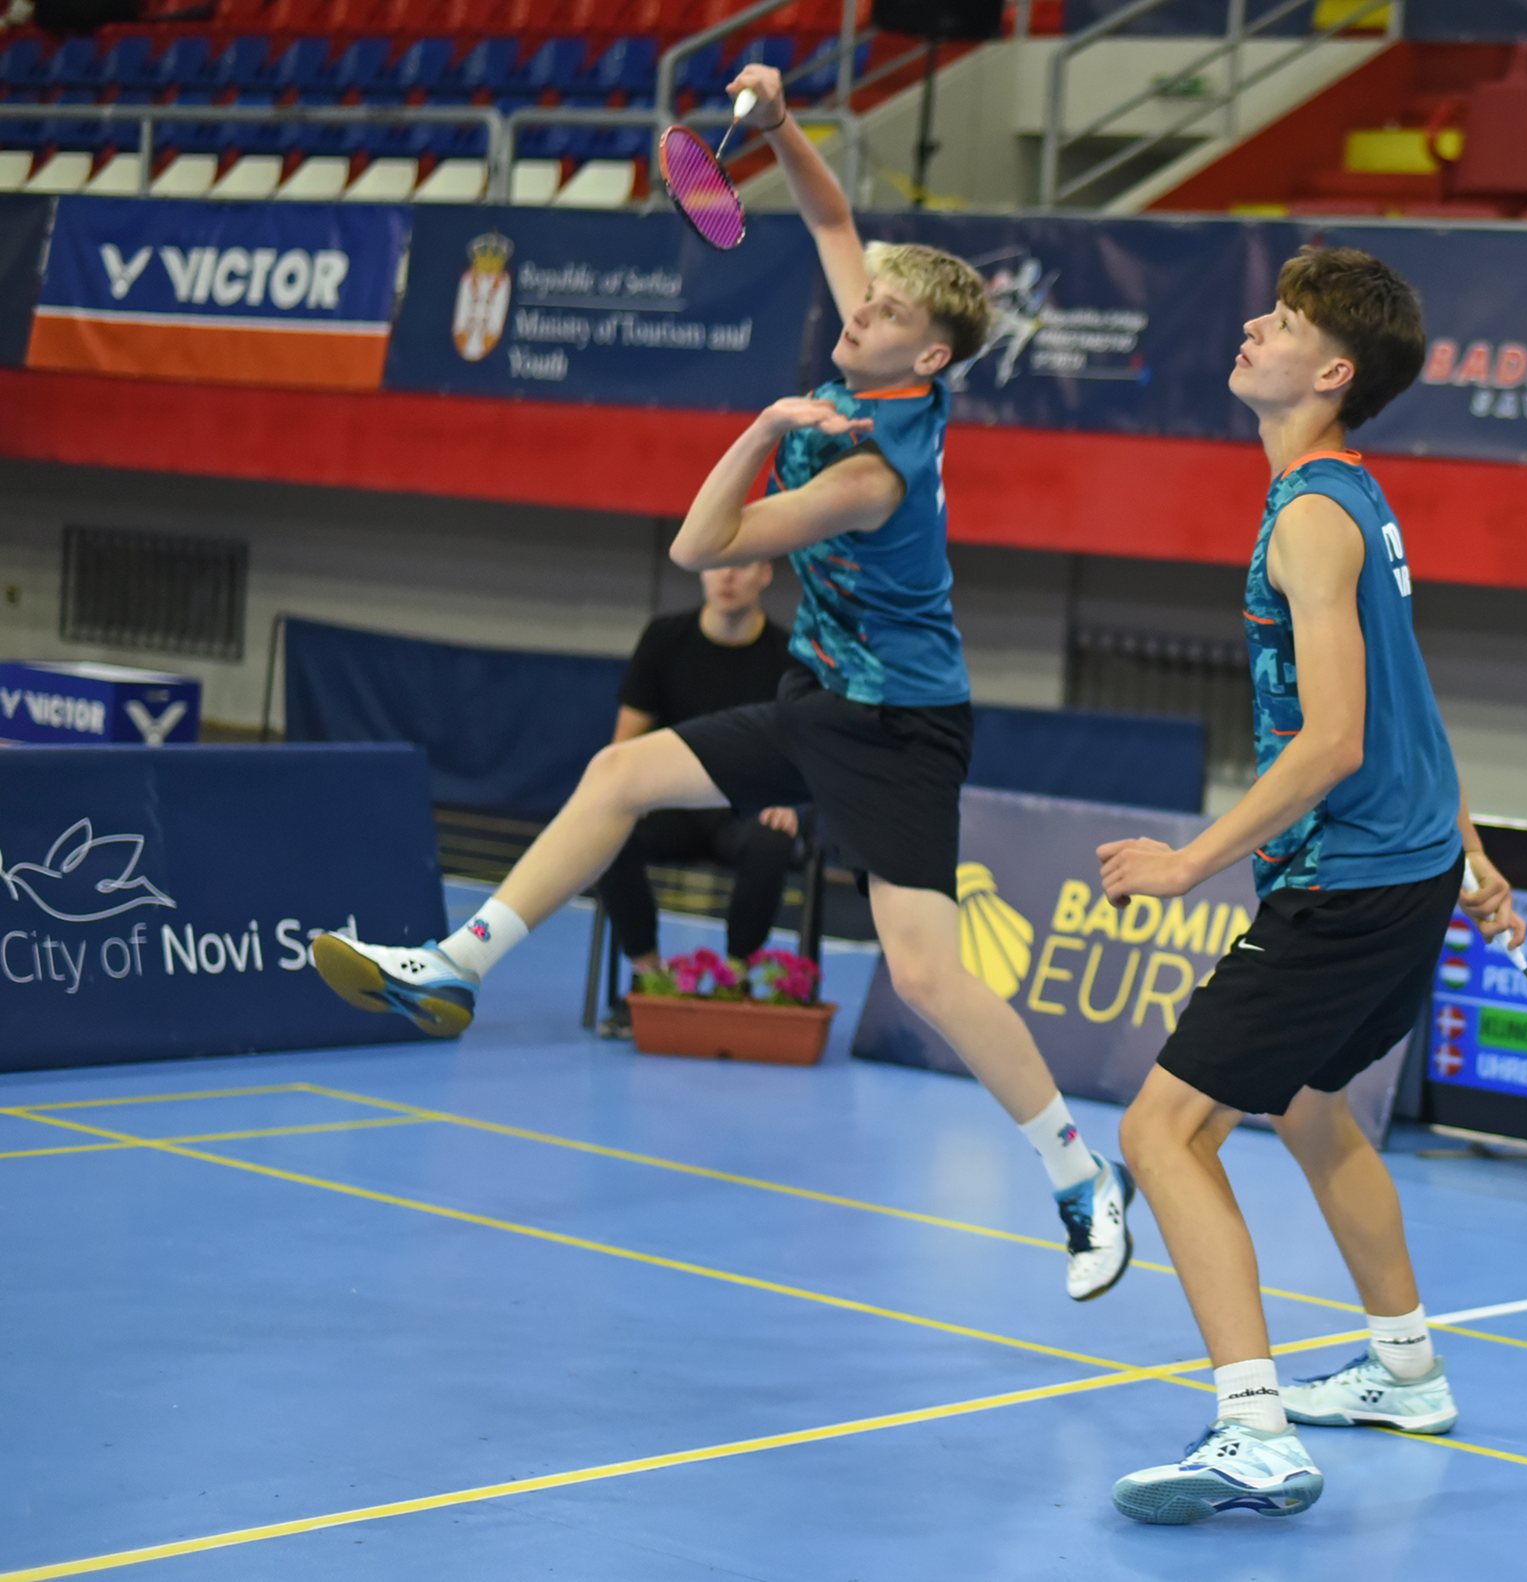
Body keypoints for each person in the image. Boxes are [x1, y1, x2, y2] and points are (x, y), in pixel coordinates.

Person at [306, 63, 1137, 1302]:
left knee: (925, 975)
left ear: (929, 351)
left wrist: (759, 430)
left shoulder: (870, 474)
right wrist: (788, 127)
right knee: (619, 772)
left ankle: (1080, 1176)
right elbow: (834, 218)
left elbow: (703, 548)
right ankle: (456, 966)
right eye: (867, 298)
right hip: (820, 693)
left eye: (885, 308)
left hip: (900, 729)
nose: (860, 307)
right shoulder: (883, 355)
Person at [1094, 247, 1527, 1523]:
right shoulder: (1350, 498)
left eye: (1281, 322)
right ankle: (1405, 1371)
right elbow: (1407, 695)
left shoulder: (1312, 517)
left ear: (1331, 373)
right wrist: (1467, 843)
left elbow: (1333, 740)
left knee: (1160, 1133)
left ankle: (1253, 1430)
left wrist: (1190, 860)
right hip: (1409, 864)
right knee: (1310, 1106)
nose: (1252, 326)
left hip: (1346, 883)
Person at [596, 561, 806, 1032]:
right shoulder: (664, 638)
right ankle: (648, 977)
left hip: (743, 810)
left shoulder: (788, 655)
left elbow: (802, 750)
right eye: (717, 565)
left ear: (764, 574)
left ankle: (734, 981)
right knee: (606, 832)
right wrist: (625, 799)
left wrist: (787, 799)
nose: (727, 576)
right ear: (702, 572)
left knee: (773, 840)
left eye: (741, 565)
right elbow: (624, 745)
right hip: (671, 806)